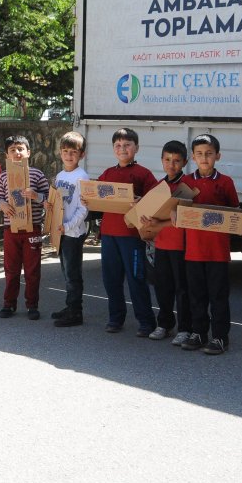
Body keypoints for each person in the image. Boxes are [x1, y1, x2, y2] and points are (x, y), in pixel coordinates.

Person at [180, 133, 242, 355]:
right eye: (199, 154)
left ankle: (219, 337)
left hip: (217, 252)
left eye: (208, 154)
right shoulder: (186, 182)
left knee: (218, 296)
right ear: (193, 157)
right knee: (196, 295)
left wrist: (240, 224)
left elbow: (236, 213)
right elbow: (177, 211)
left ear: (218, 155)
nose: (204, 158)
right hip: (193, 252)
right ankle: (198, 333)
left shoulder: (225, 182)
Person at [95, 128, 159, 336]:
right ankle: (115, 319)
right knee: (111, 279)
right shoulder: (107, 173)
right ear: (113, 149)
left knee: (136, 279)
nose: (122, 149)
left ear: (136, 148)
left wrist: (142, 203)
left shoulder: (143, 173)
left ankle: (146, 322)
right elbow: (94, 194)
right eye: (118, 145)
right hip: (109, 235)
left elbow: (157, 201)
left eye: (127, 145)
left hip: (131, 237)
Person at [141, 140, 192, 344]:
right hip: (160, 245)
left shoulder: (187, 186)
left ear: (185, 162)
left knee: (182, 289)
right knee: (163, 287)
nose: (172, 165)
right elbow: (148, 214)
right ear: (162, 161)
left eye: (177, 161)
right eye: (167, 160)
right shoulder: (158, 186)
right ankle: (164, 324)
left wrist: (159, 221)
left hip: (181, 245)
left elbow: (185, 217)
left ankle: (185, 328)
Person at [0, 135, 50, 320]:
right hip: (10, 230)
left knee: (32, 270)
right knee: (11, 270)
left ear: (28, 152)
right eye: (13, 150)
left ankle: (32, 305)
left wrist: (37, 196)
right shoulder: (3, 176)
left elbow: (50, 200)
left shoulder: (37, 174)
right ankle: (9, 304)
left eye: (20, 149)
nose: (17, 153)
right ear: (7, 155)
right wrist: (1, 204)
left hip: (32, 229)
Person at [50, 131, 90, 327]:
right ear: (60, 153)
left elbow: (84, 209)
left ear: (81, 154)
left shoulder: (82, 177)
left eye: (73, 151)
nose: (68, 155)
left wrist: (67, 226)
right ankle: (69, 306)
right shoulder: (59, 175)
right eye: (65, 151)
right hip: (61, 231)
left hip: (72, 232)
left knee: (73, 274)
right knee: (66, 272)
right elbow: (56, 204)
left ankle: (76, 312)